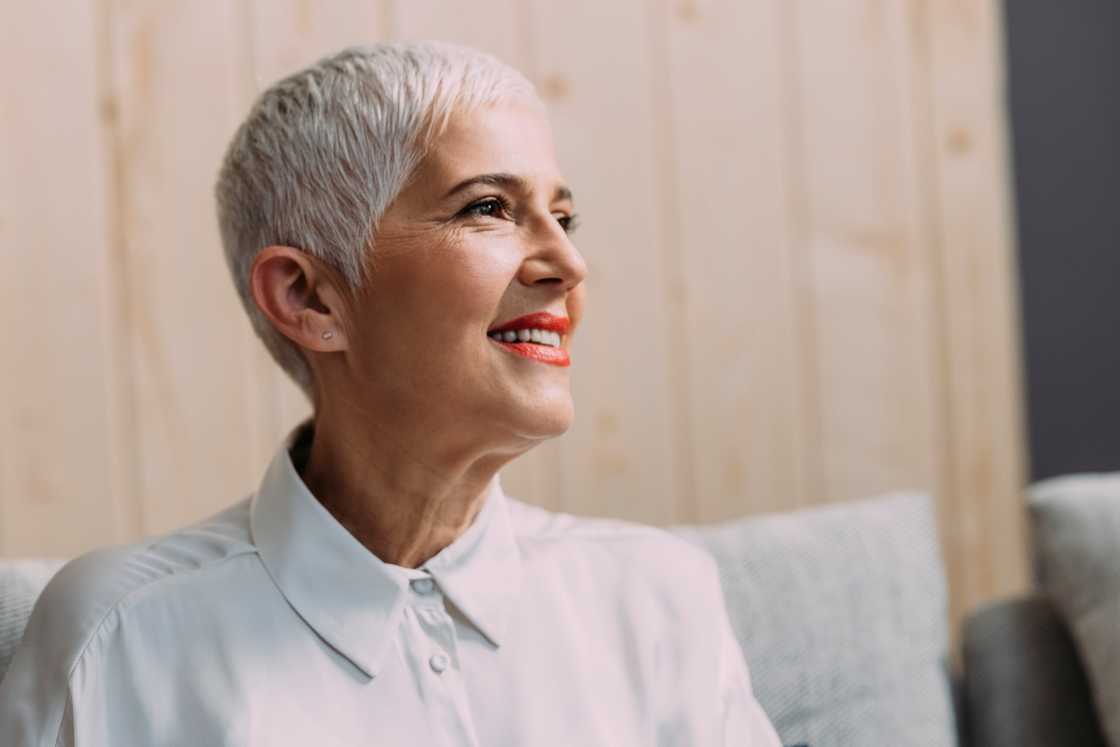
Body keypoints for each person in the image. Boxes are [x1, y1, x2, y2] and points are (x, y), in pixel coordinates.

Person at [0, 41, 780, 745]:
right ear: (310, 299)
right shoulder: (116, 638)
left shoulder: (659, 597)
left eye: (564, 215)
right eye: (489, 208)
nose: (567, 262)